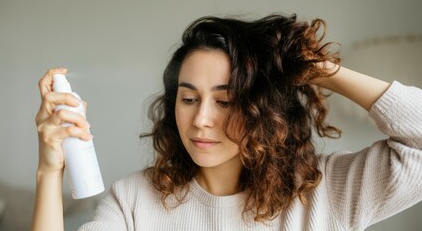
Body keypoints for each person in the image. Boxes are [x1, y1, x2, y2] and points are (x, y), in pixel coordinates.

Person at [31, 13, 422, 231]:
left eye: (225, 101)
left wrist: (320, 70)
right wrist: (49, 170)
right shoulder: (135, 202)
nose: (201, 119)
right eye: (188, 99)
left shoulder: (326, 194)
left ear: (262, 108)